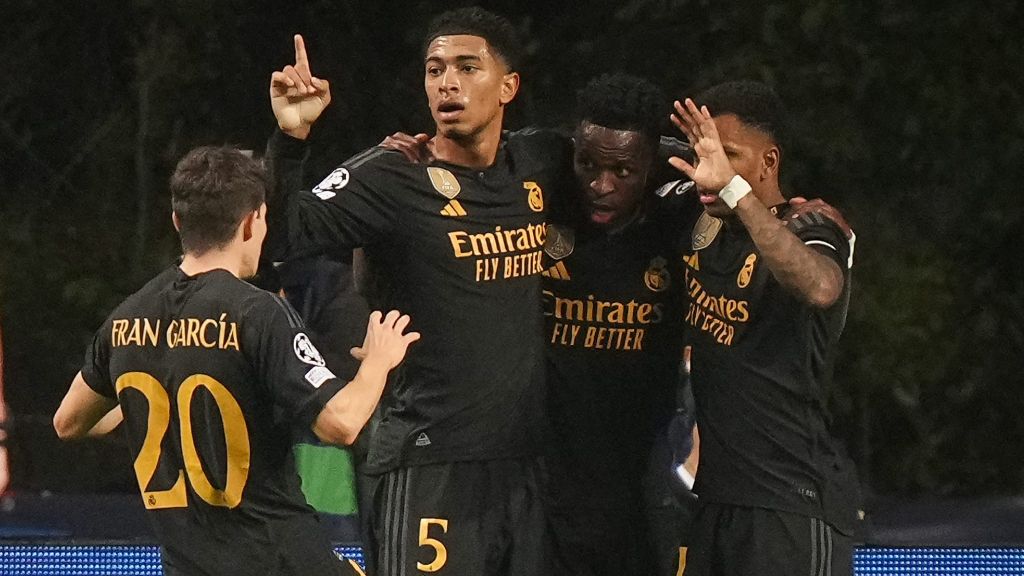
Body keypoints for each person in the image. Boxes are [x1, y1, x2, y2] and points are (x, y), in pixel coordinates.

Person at [265, 7, 575, 575]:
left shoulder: (538, 162)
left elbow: (629, 161)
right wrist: (291, 137)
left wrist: (766, 201)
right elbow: (279, 237)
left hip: (524, 464)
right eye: (434, 70)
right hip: (429, 464)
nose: (447, 82)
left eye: (466, 67)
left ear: (508, 86)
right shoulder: (391, 174)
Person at [53, 146, 419, 576]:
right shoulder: (256, 312)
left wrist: (147, 405)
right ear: (253, 222)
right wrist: (378, 361)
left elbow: (68, 422)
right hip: (279, 560)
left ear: (177, 221)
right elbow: (342, 422)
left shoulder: (126, 318)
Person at [667, 81, 862, 575]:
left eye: (727, 155)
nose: (709, 167)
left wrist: (734, 190)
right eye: (704, 152)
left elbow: (820, 287)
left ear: (768, 162)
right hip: (715, 502)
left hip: (792, 504)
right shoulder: (697, 215)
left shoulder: (810, 227)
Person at [538, 73, 700, 576]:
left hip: (641, 473)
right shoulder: (540, 180)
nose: (600, 185)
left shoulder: (683, 207)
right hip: (541, 475)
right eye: (588, 163)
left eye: (623, 171)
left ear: (650, 166)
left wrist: (795, 213)